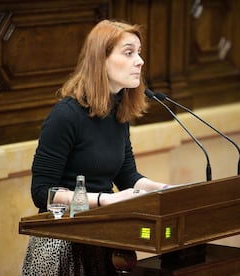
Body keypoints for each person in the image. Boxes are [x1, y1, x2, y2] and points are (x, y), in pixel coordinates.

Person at [21, 19, 169, 275]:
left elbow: (127, 177)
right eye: (129, 52)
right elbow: (41, 192)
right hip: (62, 243)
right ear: (102, 59)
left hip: (104, 238)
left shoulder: (118, 112)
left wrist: (163, 190)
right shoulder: (65, 116)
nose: (140, 61)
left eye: (140, 52)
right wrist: (104, 200)